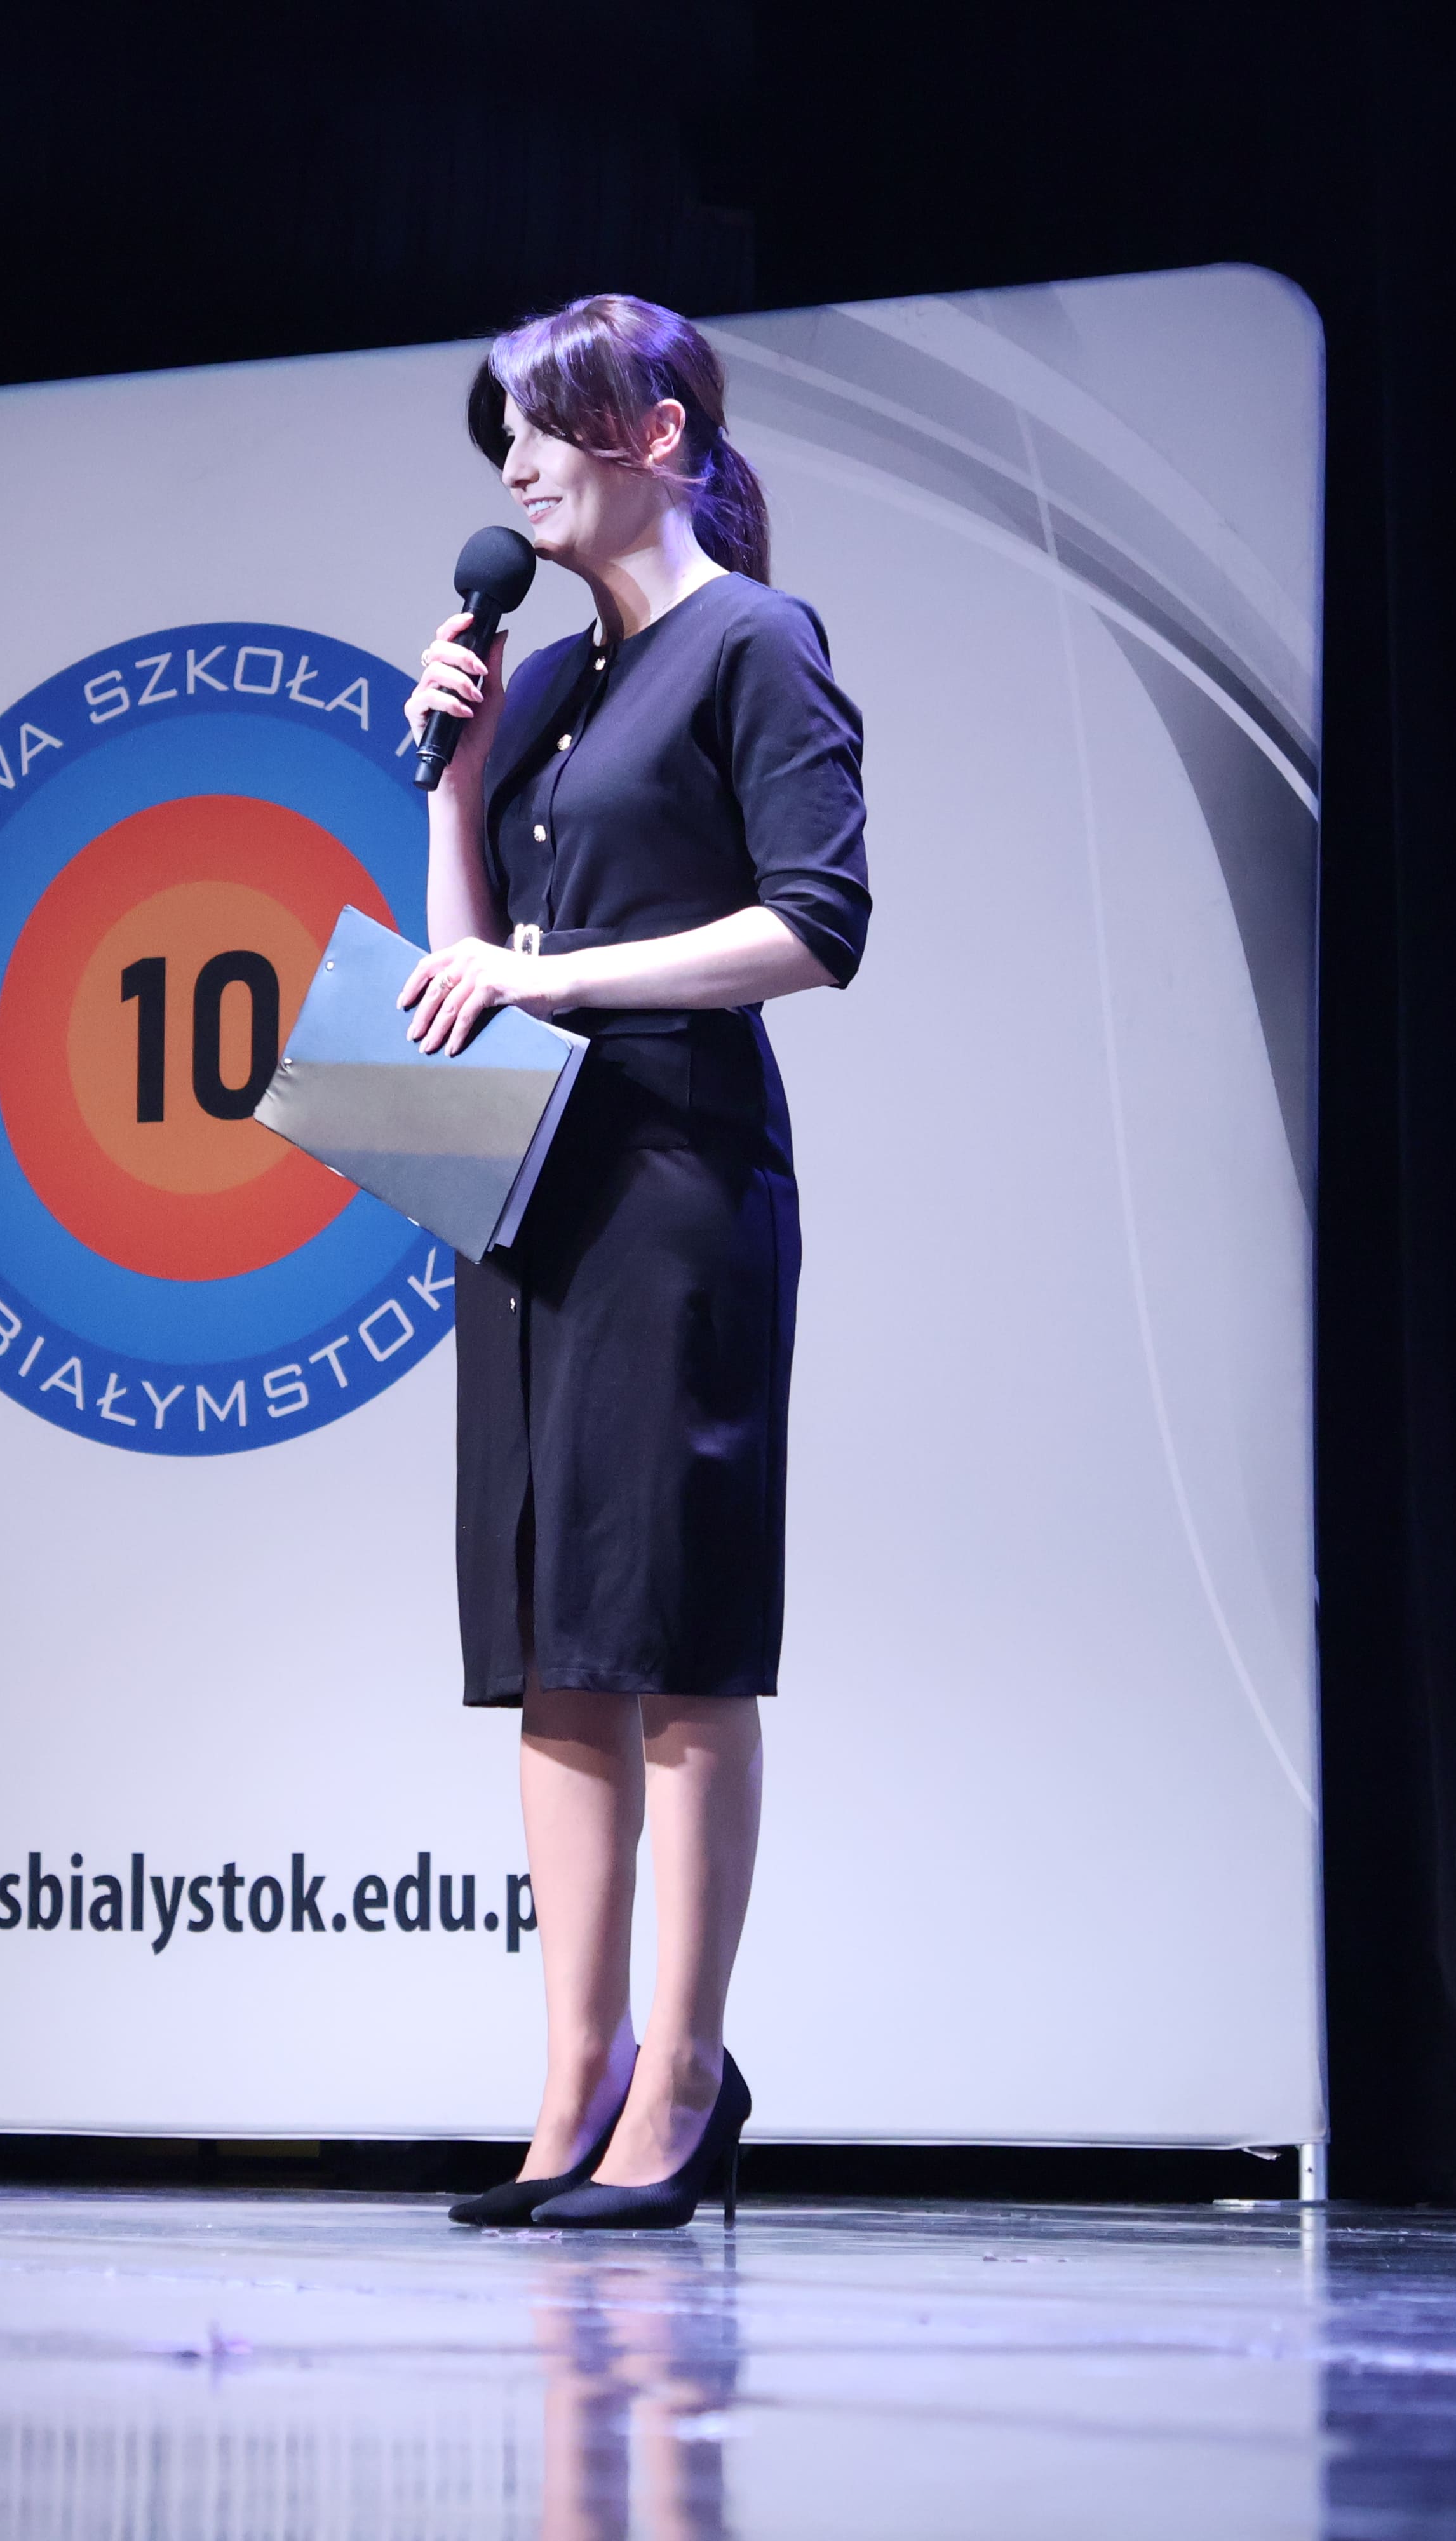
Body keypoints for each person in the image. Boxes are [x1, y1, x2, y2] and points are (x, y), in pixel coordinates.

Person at [396, 294, 868, 2229]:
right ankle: (569, 2084)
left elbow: (817, 926)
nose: (513, 469)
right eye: (499, 438)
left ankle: (682, 2080)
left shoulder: (754, 640)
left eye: (541, 428)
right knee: (555, 1652)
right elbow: (465, 966)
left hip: (675, 1182)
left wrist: (562, 978)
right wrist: (453, 781)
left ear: (657, 434)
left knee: (673, 1641)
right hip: (531, 1190)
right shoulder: (549, 687)